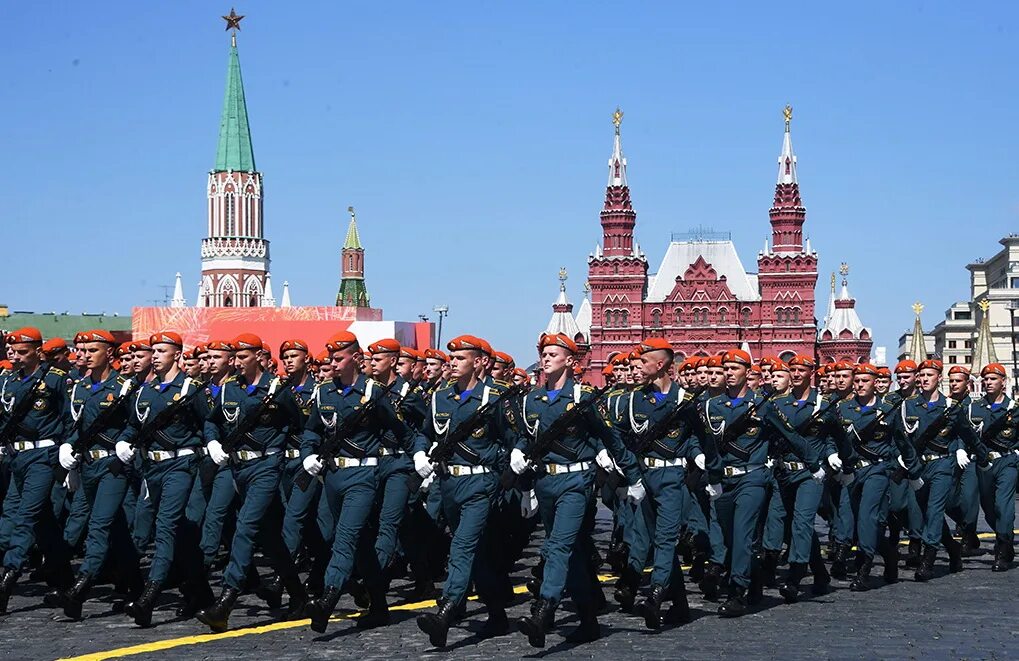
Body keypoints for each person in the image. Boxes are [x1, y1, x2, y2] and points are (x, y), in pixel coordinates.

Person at [511, 333, 645, 647]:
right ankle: (588, 619)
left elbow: (611, 439)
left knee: (557, 545)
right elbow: (527, 437)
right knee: (571, 554)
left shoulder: (584, 396)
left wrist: (634, 477)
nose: (545, 358)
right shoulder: (532, 398)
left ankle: (544, 609)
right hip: (545, 481)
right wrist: (520, 460)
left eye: (553, 354)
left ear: (571, 361)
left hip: (576, 481)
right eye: (543, 353)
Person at [300, 331, 424, 633]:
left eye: (339, 358)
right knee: (359, 544)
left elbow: (404, 431)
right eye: (331, 358)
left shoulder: (375, 393)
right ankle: (379, 605)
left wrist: (419, 456)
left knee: (345, 537)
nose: (333, 363)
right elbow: (312, 430)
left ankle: (327, 599)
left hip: (362, 476)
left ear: (356, 358)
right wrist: (308, 454)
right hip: (332, 476)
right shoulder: (324, 392)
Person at [196, 333, 306, 633]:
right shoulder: (230, 388)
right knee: (271, 537)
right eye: (235, 356)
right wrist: (213, 442)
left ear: (259, 356)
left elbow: (303, 423)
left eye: (243, 356)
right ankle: (298, 595)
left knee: (245, 528)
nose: (237, 362)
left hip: (267, 466)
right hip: (238, 468)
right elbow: (211, 420)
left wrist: (294, 453)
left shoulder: (278, 389)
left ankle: (226, 602)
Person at [122, 332, 211, 626]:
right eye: (154, 350)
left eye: (162, 350)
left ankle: (149, 595)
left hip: (181, 465)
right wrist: (124, 441)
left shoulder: (190, 388)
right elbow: (133, 425)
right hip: (152, 468)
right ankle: (201, 593)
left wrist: (211, 445)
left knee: (166, 525)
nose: (156, 355)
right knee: (183, 535)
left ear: (176, 354)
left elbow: (208, 422)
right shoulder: (144, 391)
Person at [49, 329, 139, 620]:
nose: (85, 356)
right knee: (116, 530)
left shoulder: (125, 386)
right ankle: (136, 585)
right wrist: (68, 446)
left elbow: (135, 422)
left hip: (113, 465)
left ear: (109, 353)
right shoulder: (80, 387)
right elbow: (74, 424)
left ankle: (81, 587)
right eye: (83, 350)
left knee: (98, 525)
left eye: (92, 350)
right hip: (87, 464)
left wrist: (126, 440)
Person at [615, 337, 699, 630]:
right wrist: (627, 473)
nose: (636, 367)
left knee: (665, 539)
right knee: (650, 537)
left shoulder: (686, 400)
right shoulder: (634, 399)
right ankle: (681, 604)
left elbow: (697, 438)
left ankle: (655, 595)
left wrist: (703, 462)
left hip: (673, 477)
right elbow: (620, 436)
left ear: (660, 364)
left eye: (642, 361)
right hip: (643, 476)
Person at [0, 328, 73, 613]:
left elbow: (70, 418)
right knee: (37, 521)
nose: (16, 357)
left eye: (22, 352)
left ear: (37, 351)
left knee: (26, 516)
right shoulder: (8, 381)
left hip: (44, 456)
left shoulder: (54, 380)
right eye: (13, 352)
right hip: (17, 456)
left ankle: (9, 576)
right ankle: (65, 577)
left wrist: (68, 452)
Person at [969, 363, 1018, 570]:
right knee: (988, 508)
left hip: (1007, 460)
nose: (988, 383)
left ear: (1003, 382)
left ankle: (1002, 549)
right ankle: (1003, 537)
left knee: (1003, 506)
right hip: (984, 463)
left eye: (993, 379)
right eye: (986, 379)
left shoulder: (1014, 408)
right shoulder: (975, 407)